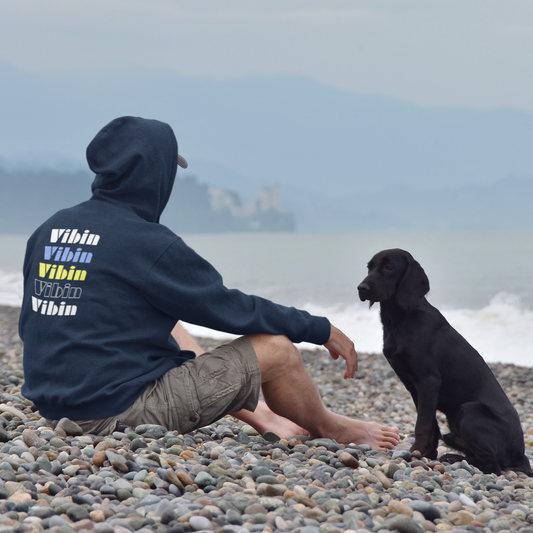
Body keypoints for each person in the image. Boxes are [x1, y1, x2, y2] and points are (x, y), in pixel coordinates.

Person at [19, 116, 399, 450]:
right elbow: (231, 309)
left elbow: (35, 322)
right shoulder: (146, 242)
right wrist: (319, 328)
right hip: (114, 413)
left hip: (56, 408)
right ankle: (331, 428)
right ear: (155, 175)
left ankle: (265, 416)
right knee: (277, 349)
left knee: (162, 314)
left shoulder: (50, 228)